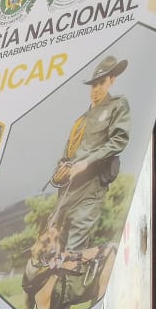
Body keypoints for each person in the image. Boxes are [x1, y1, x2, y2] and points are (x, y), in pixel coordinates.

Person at [50, 56, 131, 258]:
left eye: (101, 83)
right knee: (53, 247)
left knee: (73, 252)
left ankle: (72, 286)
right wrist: (60, 170)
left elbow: (119, 140)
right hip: (68, 189)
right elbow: (67, 153)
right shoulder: (81, 120)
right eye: (93, 84)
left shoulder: (117, 105)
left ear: (112, 80)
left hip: (91, 186)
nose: (96, 89)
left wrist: (87, 162)